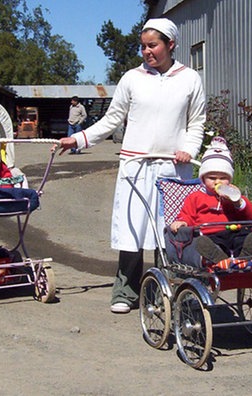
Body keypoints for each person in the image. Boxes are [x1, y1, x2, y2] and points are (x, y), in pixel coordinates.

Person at [56, 18, 206, 314]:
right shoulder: (132, 78)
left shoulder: (190, 79)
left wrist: (189, 149)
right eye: (143, 46)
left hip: (173, 169)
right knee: (132, 229)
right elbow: (113, 119)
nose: (147, 52)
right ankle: (126, 291)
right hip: (135, 166)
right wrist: (79, 140)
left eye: (153, 45)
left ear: (170, 45)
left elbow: (197, 121)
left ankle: (169, 292)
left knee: (171, 232)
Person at [167, 137, 252, 266]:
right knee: (205, 243)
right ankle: (219, 258)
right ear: (203, 179)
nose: (217, 182)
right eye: (212, 178)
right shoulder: (196, 197)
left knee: (244, 237)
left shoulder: (232, 196)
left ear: (229, 179)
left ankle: (244, 257)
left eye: (223, 178)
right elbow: (188, 215)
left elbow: (250, 216)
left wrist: (238, 202)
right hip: (211, 236)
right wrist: (182, 222)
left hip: (233, 232)